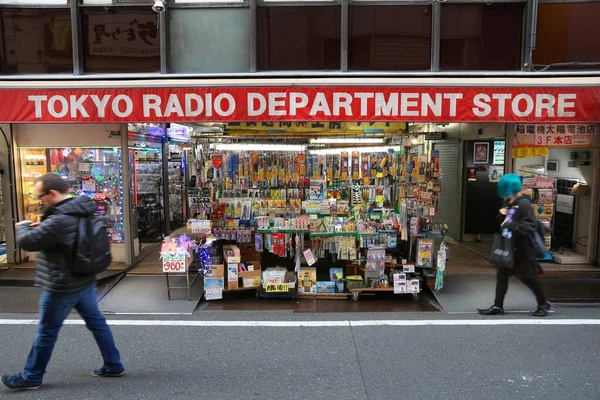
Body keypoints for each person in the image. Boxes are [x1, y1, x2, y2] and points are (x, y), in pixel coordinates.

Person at [1, 173, 124, 391]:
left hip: (61, 284)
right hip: (85, 278)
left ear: (53, 193)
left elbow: (29, 242)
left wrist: (24, 227)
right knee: (97, 323)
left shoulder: (59, 219)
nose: (40, 200)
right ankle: (113, 364)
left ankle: (31, 376)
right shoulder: (83, 208)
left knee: (47, 331)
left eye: (41, 195)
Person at [477, 173, 552, 317]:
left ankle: (543, 304)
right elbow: (505, 223)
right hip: (511, 247)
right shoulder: (512, 202)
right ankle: (498, 306)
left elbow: (529, 226)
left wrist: (509, 222)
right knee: (502, 276)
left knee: (528, 279)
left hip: (523, 250)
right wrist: (502, 215)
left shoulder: (524, 204)